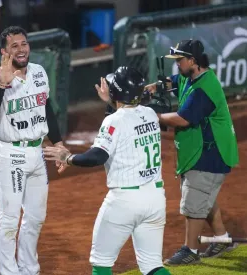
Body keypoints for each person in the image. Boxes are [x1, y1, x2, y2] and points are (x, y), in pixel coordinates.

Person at [44, 66, 171, 275]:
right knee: (152, 266)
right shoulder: (150, 114)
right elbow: (125, 119)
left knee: (101, 264)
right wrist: (111, 101)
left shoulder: (114, 121)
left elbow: (97, 156)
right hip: (155, 197)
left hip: (124, 201)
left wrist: (68, 158)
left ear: (116, 93)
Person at [0, 26, 68, 275]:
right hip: (10, 155)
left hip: (37, 153)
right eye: (14, 45)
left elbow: (46, 108)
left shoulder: (39, 73)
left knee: (36, 218)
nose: (21, 49)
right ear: (4, 51)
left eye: (24, 44)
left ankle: (29, 269)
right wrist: (1, 86)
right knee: (9, 221)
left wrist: (58, 143)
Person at [145, 39, 239, 266]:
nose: (177, 65)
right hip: (203, 152)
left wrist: (153, 116)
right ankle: (221, 239)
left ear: (193, 61)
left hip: (209, 155)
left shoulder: (203, 90)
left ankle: (191, 250)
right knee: (203, 197)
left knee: (194, 204)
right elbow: (175, 82)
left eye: (180, 60)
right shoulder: (194, 77)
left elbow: (182, 119)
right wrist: (156, 86)